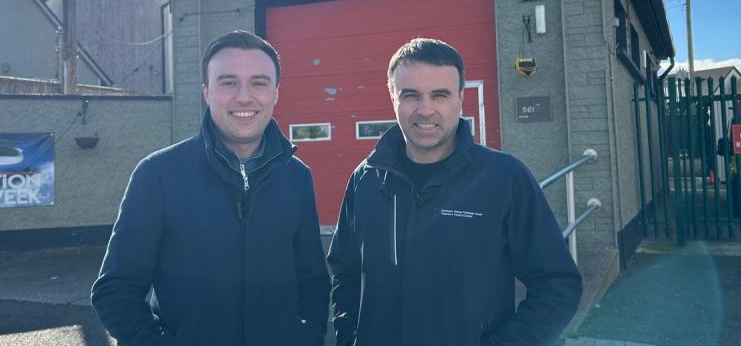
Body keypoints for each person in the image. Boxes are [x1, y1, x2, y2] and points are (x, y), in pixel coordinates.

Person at [327, 38, 582, 346]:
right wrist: (348, 338)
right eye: (410, 95)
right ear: (392, 96)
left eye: (440, 95)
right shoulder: (365, 180)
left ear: (460, 98)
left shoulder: (504, 179)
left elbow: (558, 283)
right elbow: (346, 273)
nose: (425, 110)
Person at [92, 31, 331, 345]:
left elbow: (313, 281)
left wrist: (306, 338)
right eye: (228, 82)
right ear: (206, 91)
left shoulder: (296, 177)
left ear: (275, 93)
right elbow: (115, 290)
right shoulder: (158, 175)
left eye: (259, 82)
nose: (244, 96)